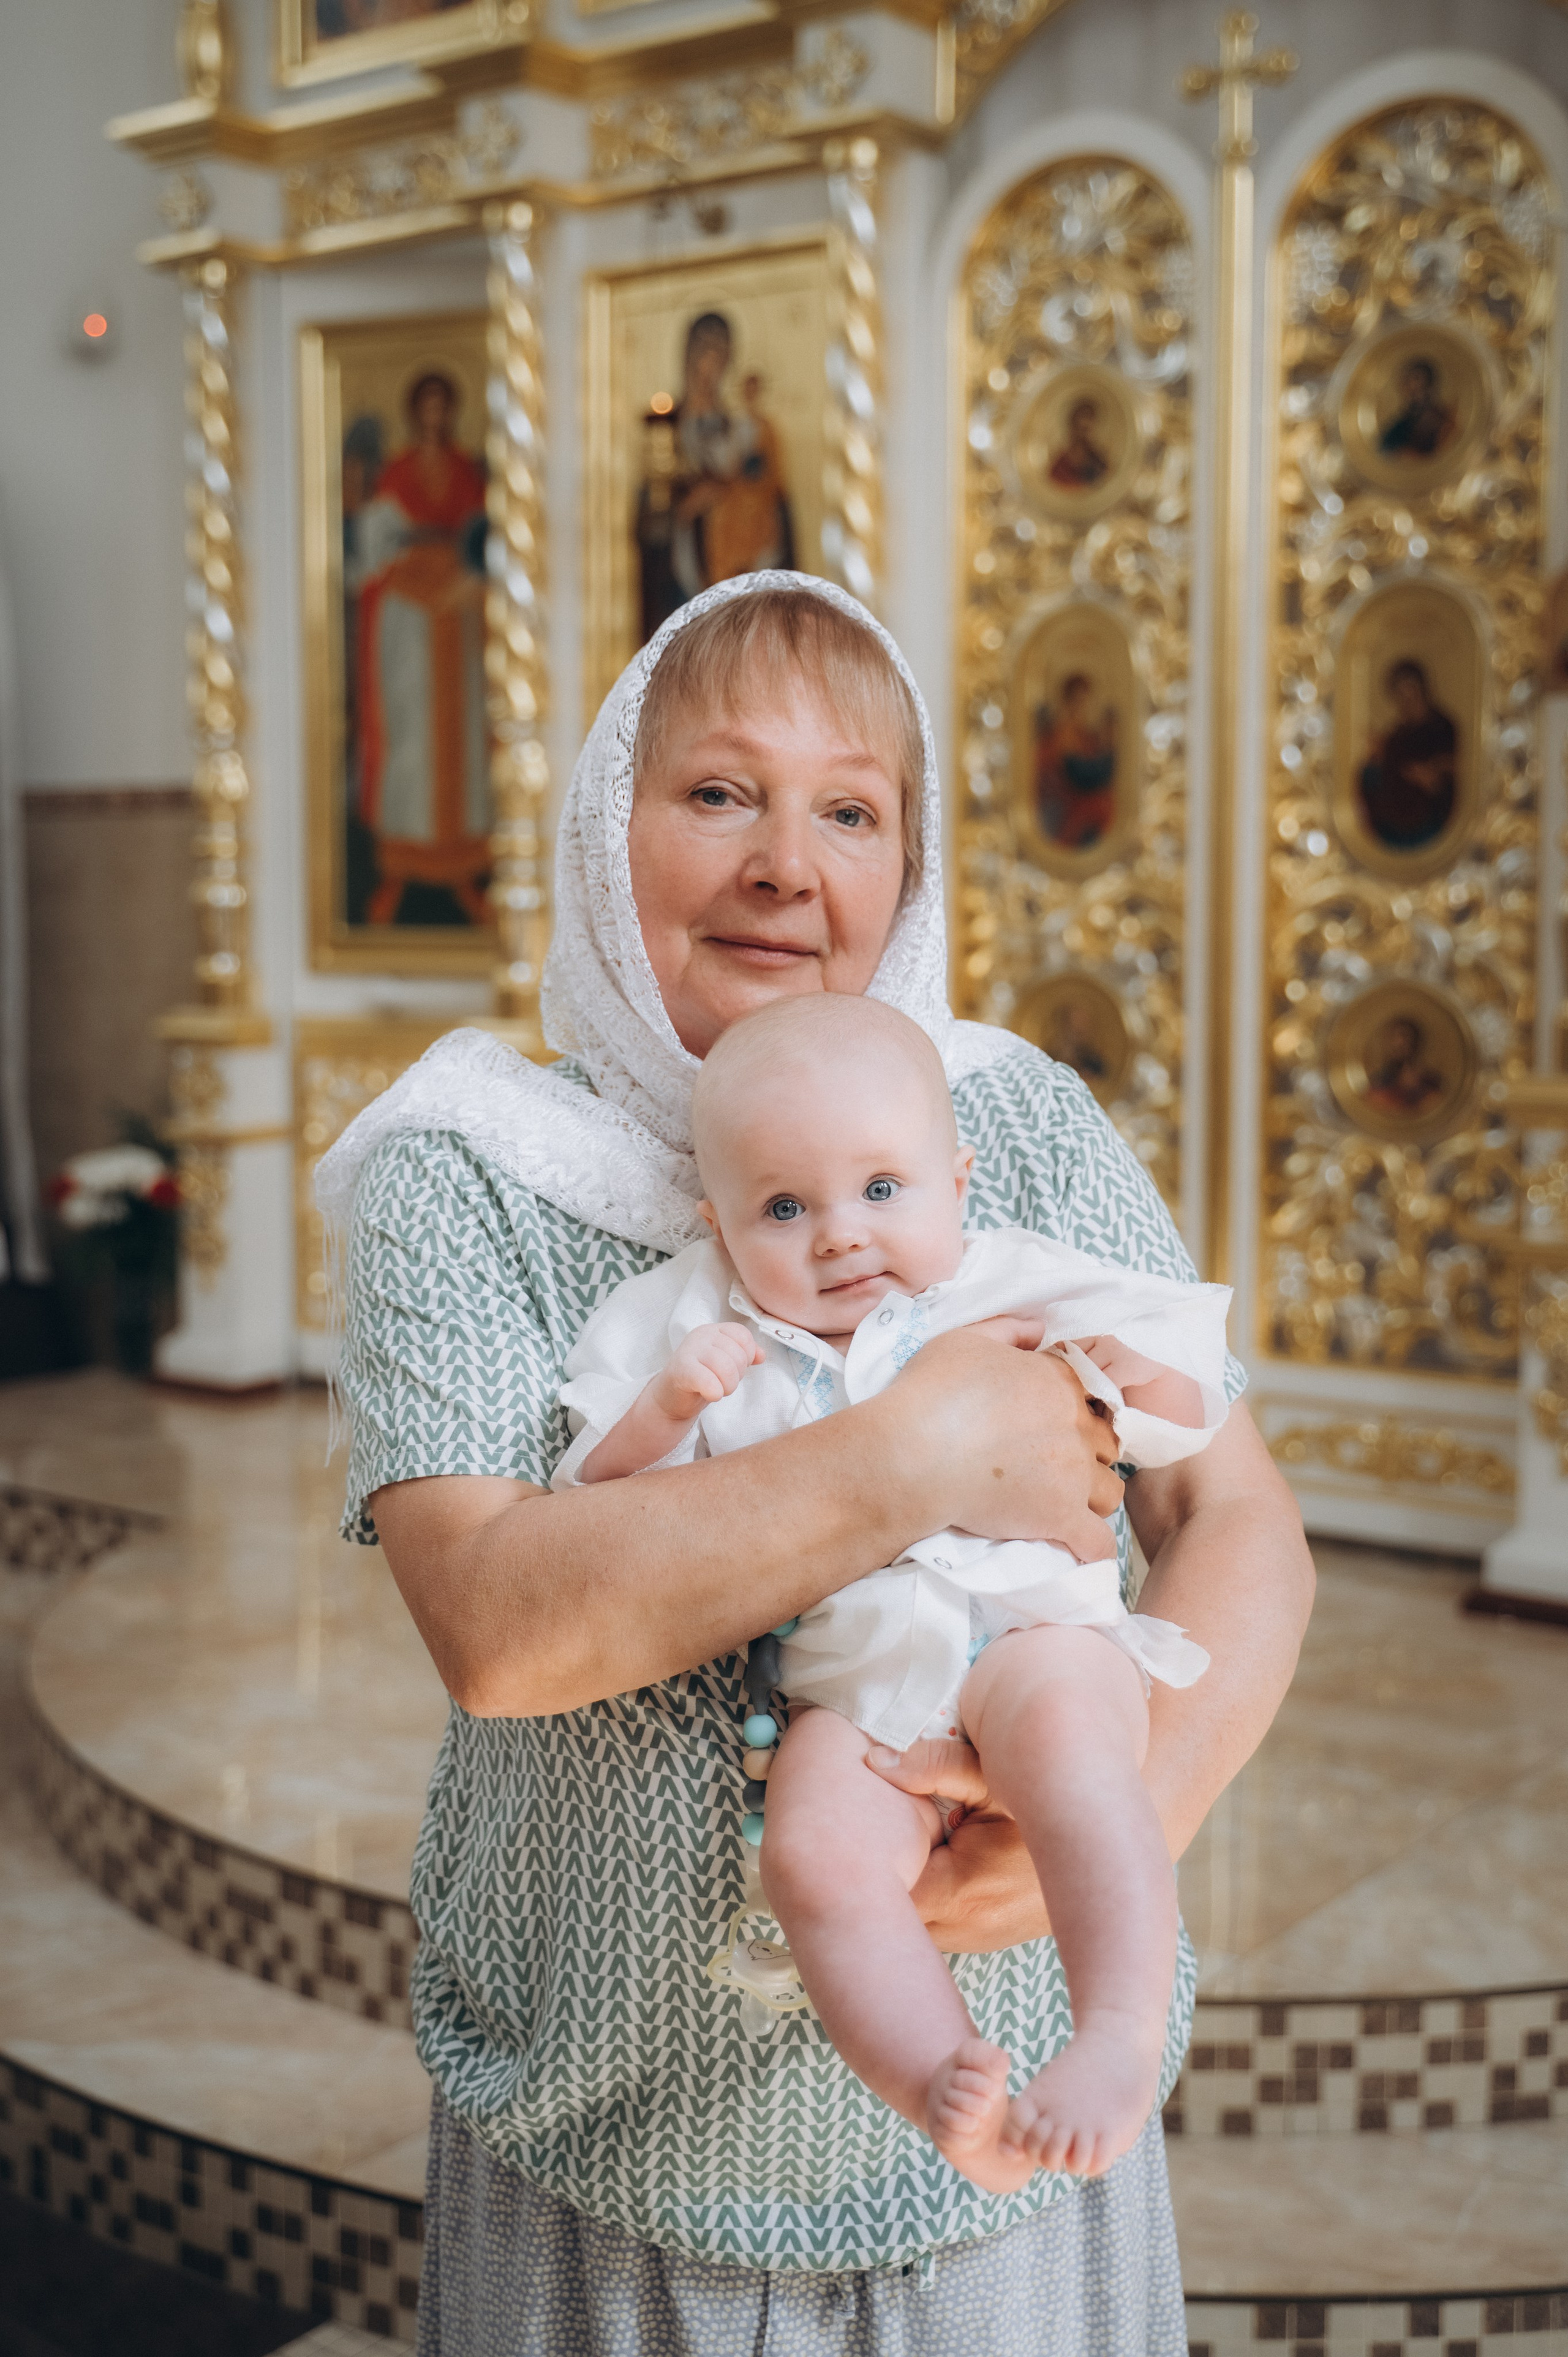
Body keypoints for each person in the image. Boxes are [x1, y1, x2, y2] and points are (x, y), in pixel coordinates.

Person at [318, 575, 1314, 2355]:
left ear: (906, 864)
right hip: (614, 2143)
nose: (787, 866)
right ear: (605, 822)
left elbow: (1234, 1508)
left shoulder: (1008, 1117)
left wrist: (1129, 1802)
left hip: (1012, 2144)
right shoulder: (463, 1164)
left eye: (850, 810)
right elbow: (498, 1624)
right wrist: (926, 1443)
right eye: (718, 793)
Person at [555, 990, 1229, 2189]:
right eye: (783, 1207)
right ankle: (939, 2085)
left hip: (1033, 1630)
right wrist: (668, 1406)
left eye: (880, 1188)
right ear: (718, 1223)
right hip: (854, 1684)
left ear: (955, 1181)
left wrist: (1137, 1375)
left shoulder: (1011, 1281)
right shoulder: (692, 1321)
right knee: (814, 1860)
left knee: (1079, 1767)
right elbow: (596, 1508)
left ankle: (1117, 2037)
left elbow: (1184, 1408)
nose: (840, 1237)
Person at [349, 371, 491, 928]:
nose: (434, 416)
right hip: (408, 613)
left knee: (463, 735)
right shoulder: (397, 473)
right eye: (425, 406)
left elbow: (484, 540)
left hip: (458, 608)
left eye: (442, 406)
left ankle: (463, 871)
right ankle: (399, 869)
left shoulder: (467, 471)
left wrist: (469, 579)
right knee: (411, 731)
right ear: (415, 412)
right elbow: (373, 549)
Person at [636, 313, 794, 640]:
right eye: (703, 351)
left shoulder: (740, 429)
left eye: (720, 353)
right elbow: (651, 515)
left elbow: (772, 500)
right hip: (683, 570)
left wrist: (729, 494)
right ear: (688, 357)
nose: (710, 364)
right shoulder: (666, 429)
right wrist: (682, 510)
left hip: (734, 554)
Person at [1355, 658, 1458, 853]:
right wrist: (1377, 757)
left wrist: (1432, 776)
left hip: (1427, 823)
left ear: (1423, 691)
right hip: (1393, 821)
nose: (1407, 700)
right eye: (1401, 695)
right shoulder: (1397, 734)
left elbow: (1450, 770)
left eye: (1411, 692)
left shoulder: (1442, 728)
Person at [1034, 673, 1118, 848]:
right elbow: (1072, 774)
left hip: (1082, 799)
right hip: (1064, 803)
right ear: (1067, 701)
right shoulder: (1062, 734)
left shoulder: (1087, 734)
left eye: (1085, 701)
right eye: (1077, 700)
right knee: (1098, 808)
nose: (1082, 706)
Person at [1377, 357, 1456, 460]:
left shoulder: (1440, 417)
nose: (1410, 384)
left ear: (1428, 383)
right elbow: (1385, 449)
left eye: (1416, 378)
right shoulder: (1404, 420)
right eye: (1408, 379)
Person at [1047, 398, 1110, 489]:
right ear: (1072, 426)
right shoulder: (1061, 465)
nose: (1084, 434)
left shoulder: (1099, 461)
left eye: (1087, 429)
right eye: (1081, 428)